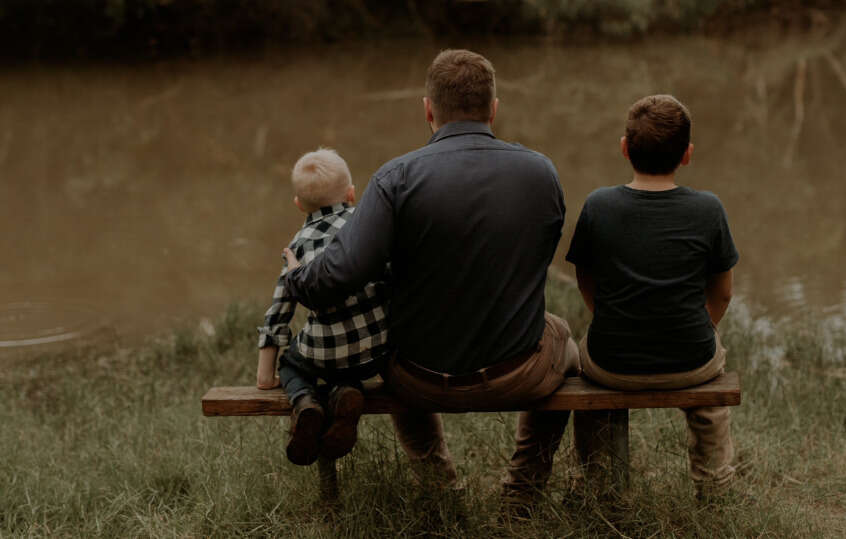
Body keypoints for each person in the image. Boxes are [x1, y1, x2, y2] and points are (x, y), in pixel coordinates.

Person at [281, 49, 580, 510]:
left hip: (417, 376)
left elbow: (336, 277)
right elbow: (540, 251)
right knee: (564, 339)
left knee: (395, 344)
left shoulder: (395, 178)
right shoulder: (540, 171)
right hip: (516, 371)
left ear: (427, 110)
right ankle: (524, 486)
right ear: (494, 108)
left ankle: (441, 487)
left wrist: (297, 276)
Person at [565, 94, 739, 497]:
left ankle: (601, 483)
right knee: (712, 383)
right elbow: (724, 293)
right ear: (688, 155)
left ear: (625, 149)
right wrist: (695, 327)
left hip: (611, 363)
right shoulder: (708, 209)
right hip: (692, 358)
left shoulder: (598, 205)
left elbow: (585, 281)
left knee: (585, 372)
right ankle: (715, 484)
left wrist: (612, 316)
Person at [256, 148, 391, 466]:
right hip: (376, 352)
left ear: (299, 204)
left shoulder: (298, 246)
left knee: (293, 364)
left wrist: (265, 376)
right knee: (346, 363)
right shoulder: (369, 227)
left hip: (325, 356)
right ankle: (345, 391)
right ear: (352, 193)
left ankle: (304, 403)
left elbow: (280, 312)